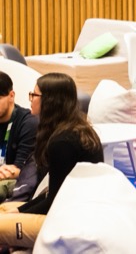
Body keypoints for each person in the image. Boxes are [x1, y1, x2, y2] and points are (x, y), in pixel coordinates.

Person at [0, 72, 103, 249]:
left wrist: (19, 213)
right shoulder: (71, 130)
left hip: (70, 221)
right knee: (3, 210)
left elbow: (54, 201)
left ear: (50, 101)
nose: (30, 99)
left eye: (34, 95)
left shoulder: (63, 142)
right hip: (67, 210)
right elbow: (52, 193)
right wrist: (18, 210)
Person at [0, 72, 38, 202]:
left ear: (11, 96)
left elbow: (20, 170)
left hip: (16, 187)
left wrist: (12, 171)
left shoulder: (28, 123)